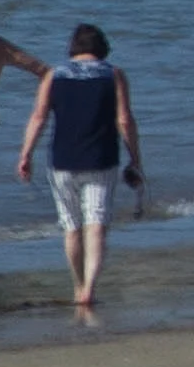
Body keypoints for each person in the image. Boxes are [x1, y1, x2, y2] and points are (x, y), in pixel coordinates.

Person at [28, 20, 137, 309]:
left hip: (62, 160)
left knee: (71, 226)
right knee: (96, 224)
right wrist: (135, 158)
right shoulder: (114, 74)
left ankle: (77, 284)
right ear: (102, 48)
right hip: (101, 158)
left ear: (73, 48)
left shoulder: (53, 75)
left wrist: (25, 154)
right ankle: (89, 288)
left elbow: (39, 117)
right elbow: (124, 119)